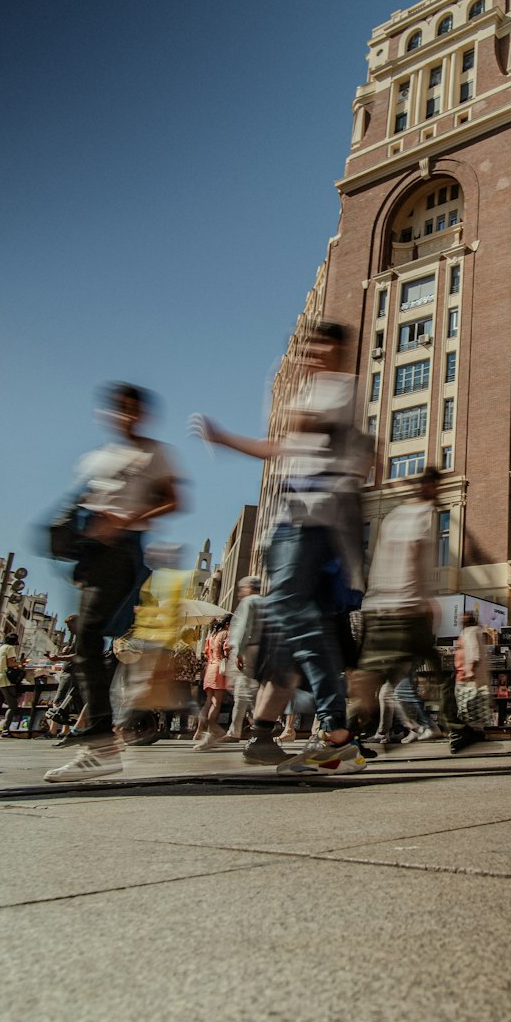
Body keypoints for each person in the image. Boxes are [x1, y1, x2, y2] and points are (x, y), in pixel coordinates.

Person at [191, 322, 368, 776]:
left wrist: (279, 392)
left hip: (312, 524)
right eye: (305, 348)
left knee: (301, 622)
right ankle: (277, 736)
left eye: (318, 347)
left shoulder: (338, 388)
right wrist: (226, 439)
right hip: (295, 523)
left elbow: (310, 429)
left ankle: (336, 737)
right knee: (302, 631)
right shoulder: (311, 393)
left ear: (337, 351)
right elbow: (279, 446)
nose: (309, 355)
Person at [43, 383, 181, 783]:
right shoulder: (97, 459)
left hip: (123, 550)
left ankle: (101, 741)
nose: (127, 416)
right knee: (87, 643)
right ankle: (101, 738)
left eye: (133, 409)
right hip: (93, 554)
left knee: (89, 639)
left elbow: (173, 500)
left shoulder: (154, 454)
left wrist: (125, 519)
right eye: (119, 409)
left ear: (144, 414)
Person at [357, 466, 444, 747]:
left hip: (378, 606)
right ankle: (434, 724)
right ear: (429, 487)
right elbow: (412, 556)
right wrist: (421, 603)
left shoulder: (393, 516)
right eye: (437, 487)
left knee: (384, 678)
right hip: (403, 609)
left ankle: (344, 735)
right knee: (426, 670)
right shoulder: (420, 516)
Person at [219, 575, 262, 743]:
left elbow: (244, 627)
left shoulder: (249, 602)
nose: (239, 593)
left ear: (249, 588)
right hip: (260, 650)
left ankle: (250, 728)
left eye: (241, 589)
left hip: (248, 650)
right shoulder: (264, 602)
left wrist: (239, 652)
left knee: (244, 692)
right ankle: (240, 729)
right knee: (247, 692)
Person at [451, 612, 491, 752]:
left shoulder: (470, 632)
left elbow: (474, 651)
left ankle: (470, 733)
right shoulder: (475, 631)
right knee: (473, 703)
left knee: (466, 704)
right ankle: (477, 731)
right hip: (465, 674)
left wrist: (471, 670)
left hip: (466, 676)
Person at [193, 614, 232, 751]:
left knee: (208, 701)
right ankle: (211, 729)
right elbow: (227, 651)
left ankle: (199, 731)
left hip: (209, 668)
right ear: (227, 624)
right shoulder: (226, 634)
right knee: (216, 703)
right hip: (219, 669)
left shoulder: (211, 636)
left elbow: (205, 653)